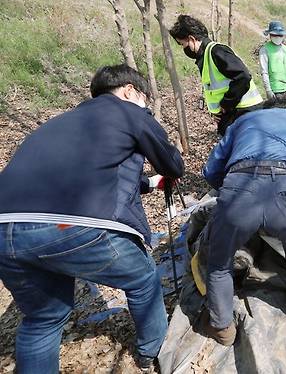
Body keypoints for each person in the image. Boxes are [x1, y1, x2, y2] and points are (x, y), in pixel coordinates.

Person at [0, 65, 185, 373]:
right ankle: (151, 353)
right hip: (68, 226)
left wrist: (151, 183)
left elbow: (94, 176)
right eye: (145, 98)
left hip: (5, 227)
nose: (146, 105)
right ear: (129, 91)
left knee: (43, 319)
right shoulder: (130, 113)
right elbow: (173, 165)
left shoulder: (58, 123)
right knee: (142, 278)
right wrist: (171, 158)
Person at [202, 98, 286, 346]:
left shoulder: (241, 123)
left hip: (240, 192)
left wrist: (229, 195)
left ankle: (223, 329)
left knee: (219, 263)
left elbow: (210, 172)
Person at [169, 15, 263, 135]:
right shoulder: (205, 57)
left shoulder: (216, 51)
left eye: (182, 44)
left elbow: (243, 77)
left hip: (245, 113)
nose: (184, 48)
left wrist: (225, 105)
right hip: (233, 114)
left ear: (192, 39)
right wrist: (217, 111)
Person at [260, 21, 286, 102]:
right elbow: (264, 72)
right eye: (275, 35)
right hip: (276, 90)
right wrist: (268, 90)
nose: (277, 37)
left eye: (280, 35)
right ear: (270, 35)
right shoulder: (265, 49)